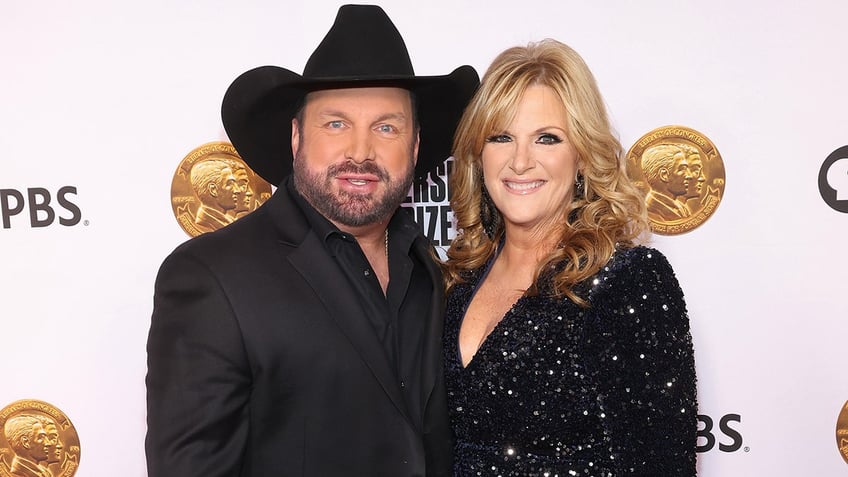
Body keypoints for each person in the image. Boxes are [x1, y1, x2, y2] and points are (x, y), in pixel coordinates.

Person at [145, 5, 478, 477]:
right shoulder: (210, 277)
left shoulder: (427, 266)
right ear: (297, 135)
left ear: (416, 145)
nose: (361, 152)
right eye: (336, 123)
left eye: (386, 127)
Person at [443, 39, 697, 476]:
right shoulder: (458, 281)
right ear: (477, 155)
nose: (520, 161)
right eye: (501, 137)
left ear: (581, 156)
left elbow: (664, 464)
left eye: (547, 138)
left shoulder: (627, 281)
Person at [641, 143, 695, 221]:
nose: (689, 176)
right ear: (664, 175)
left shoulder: (682, 208)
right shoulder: (651, 208)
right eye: (682, 169)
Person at [189, 156, 241, 231]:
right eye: (230, 184)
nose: (237, 190)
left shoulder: (230, 220)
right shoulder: (205, 221)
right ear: (213, 190)